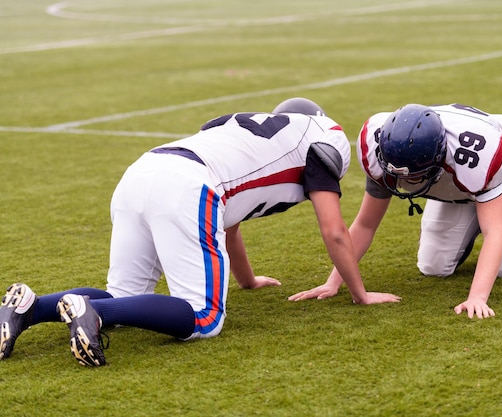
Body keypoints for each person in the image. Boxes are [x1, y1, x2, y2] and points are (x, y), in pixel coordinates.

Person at [0, 97, 401, 367]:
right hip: (187, 185)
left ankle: (29, 309)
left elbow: (229, 224)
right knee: (204, 317)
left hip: (141, 172)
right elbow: (334, 230)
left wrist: (247, 280)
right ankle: (93, 312)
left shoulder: (243, 131)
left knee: (126, 298)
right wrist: (359, 294)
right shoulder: (320, 136)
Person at [289, 103, 502, 318]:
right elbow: (365, 224)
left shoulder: (480, 158)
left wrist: (477, 298)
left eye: (414, 177)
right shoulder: (378, 148)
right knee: (433, 267)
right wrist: (333, 282)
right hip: (456, 179)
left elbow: (495, 231)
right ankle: (476, 206)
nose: (405, 183)